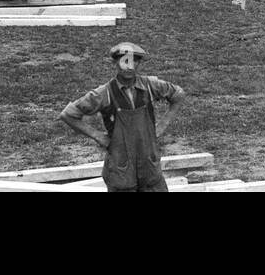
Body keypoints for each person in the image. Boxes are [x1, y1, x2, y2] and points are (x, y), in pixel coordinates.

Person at [60, 42, 186, 192]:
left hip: (149, 165)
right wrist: (97, 136)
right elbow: (68, 114)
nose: (129, 66)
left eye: (134, 61)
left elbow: (178, 94)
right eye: (124, 61)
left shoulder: (150, 86)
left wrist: (161, 126)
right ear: (115, 63)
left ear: (139, 63)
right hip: (121, 167)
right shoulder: (104, 93)